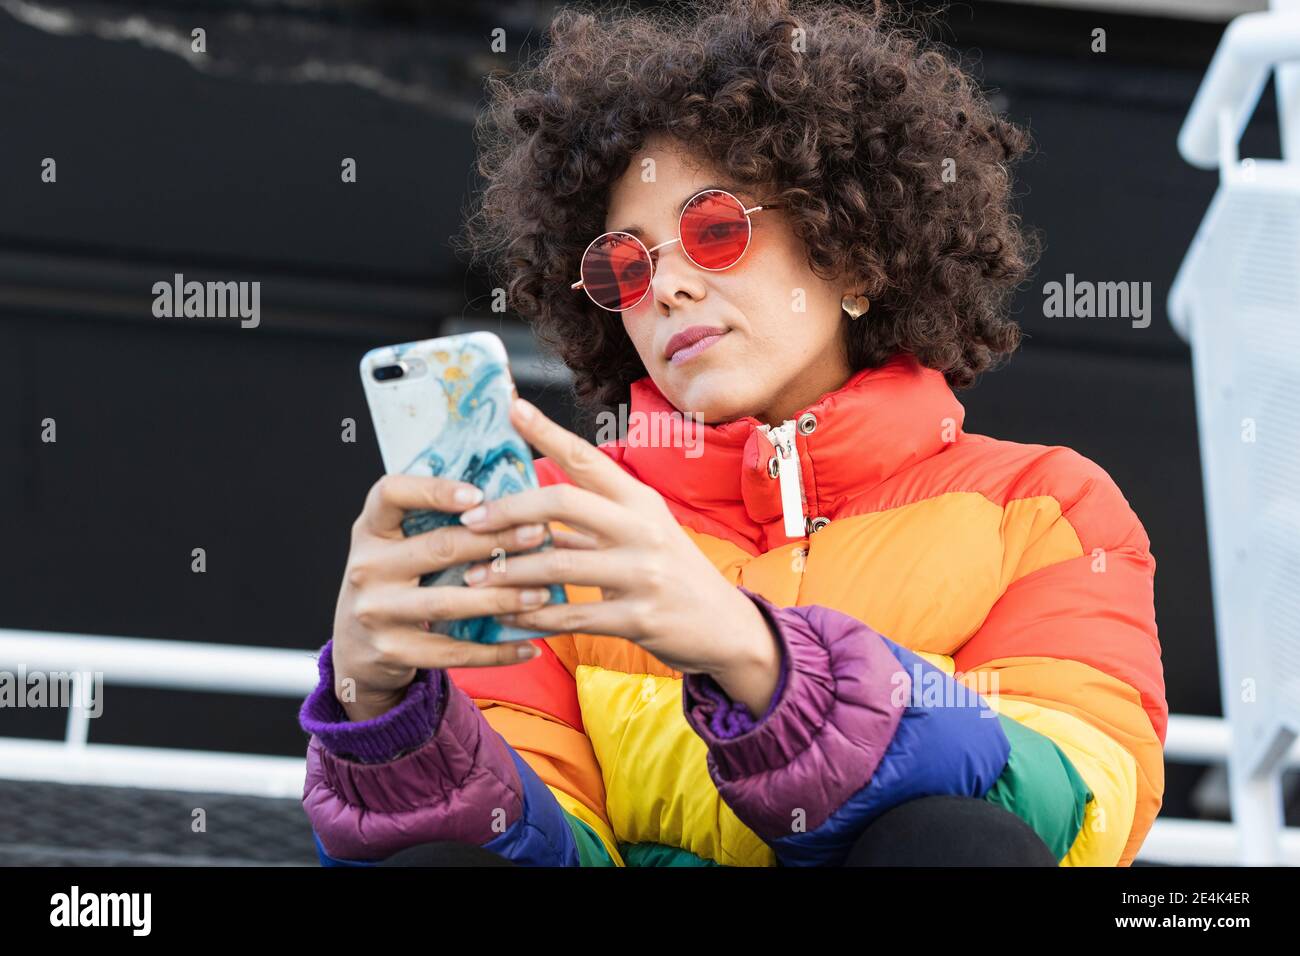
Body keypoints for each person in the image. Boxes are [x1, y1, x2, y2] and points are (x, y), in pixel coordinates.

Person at [298, 0, 1166, 867]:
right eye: (624, 264)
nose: (664, 287)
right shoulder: (545, 523)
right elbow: (528, 853)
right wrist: (381, 713)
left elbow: (1071, 812)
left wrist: (761, 660)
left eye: (713, 230)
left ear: (855, 252)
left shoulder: (1046, 507)